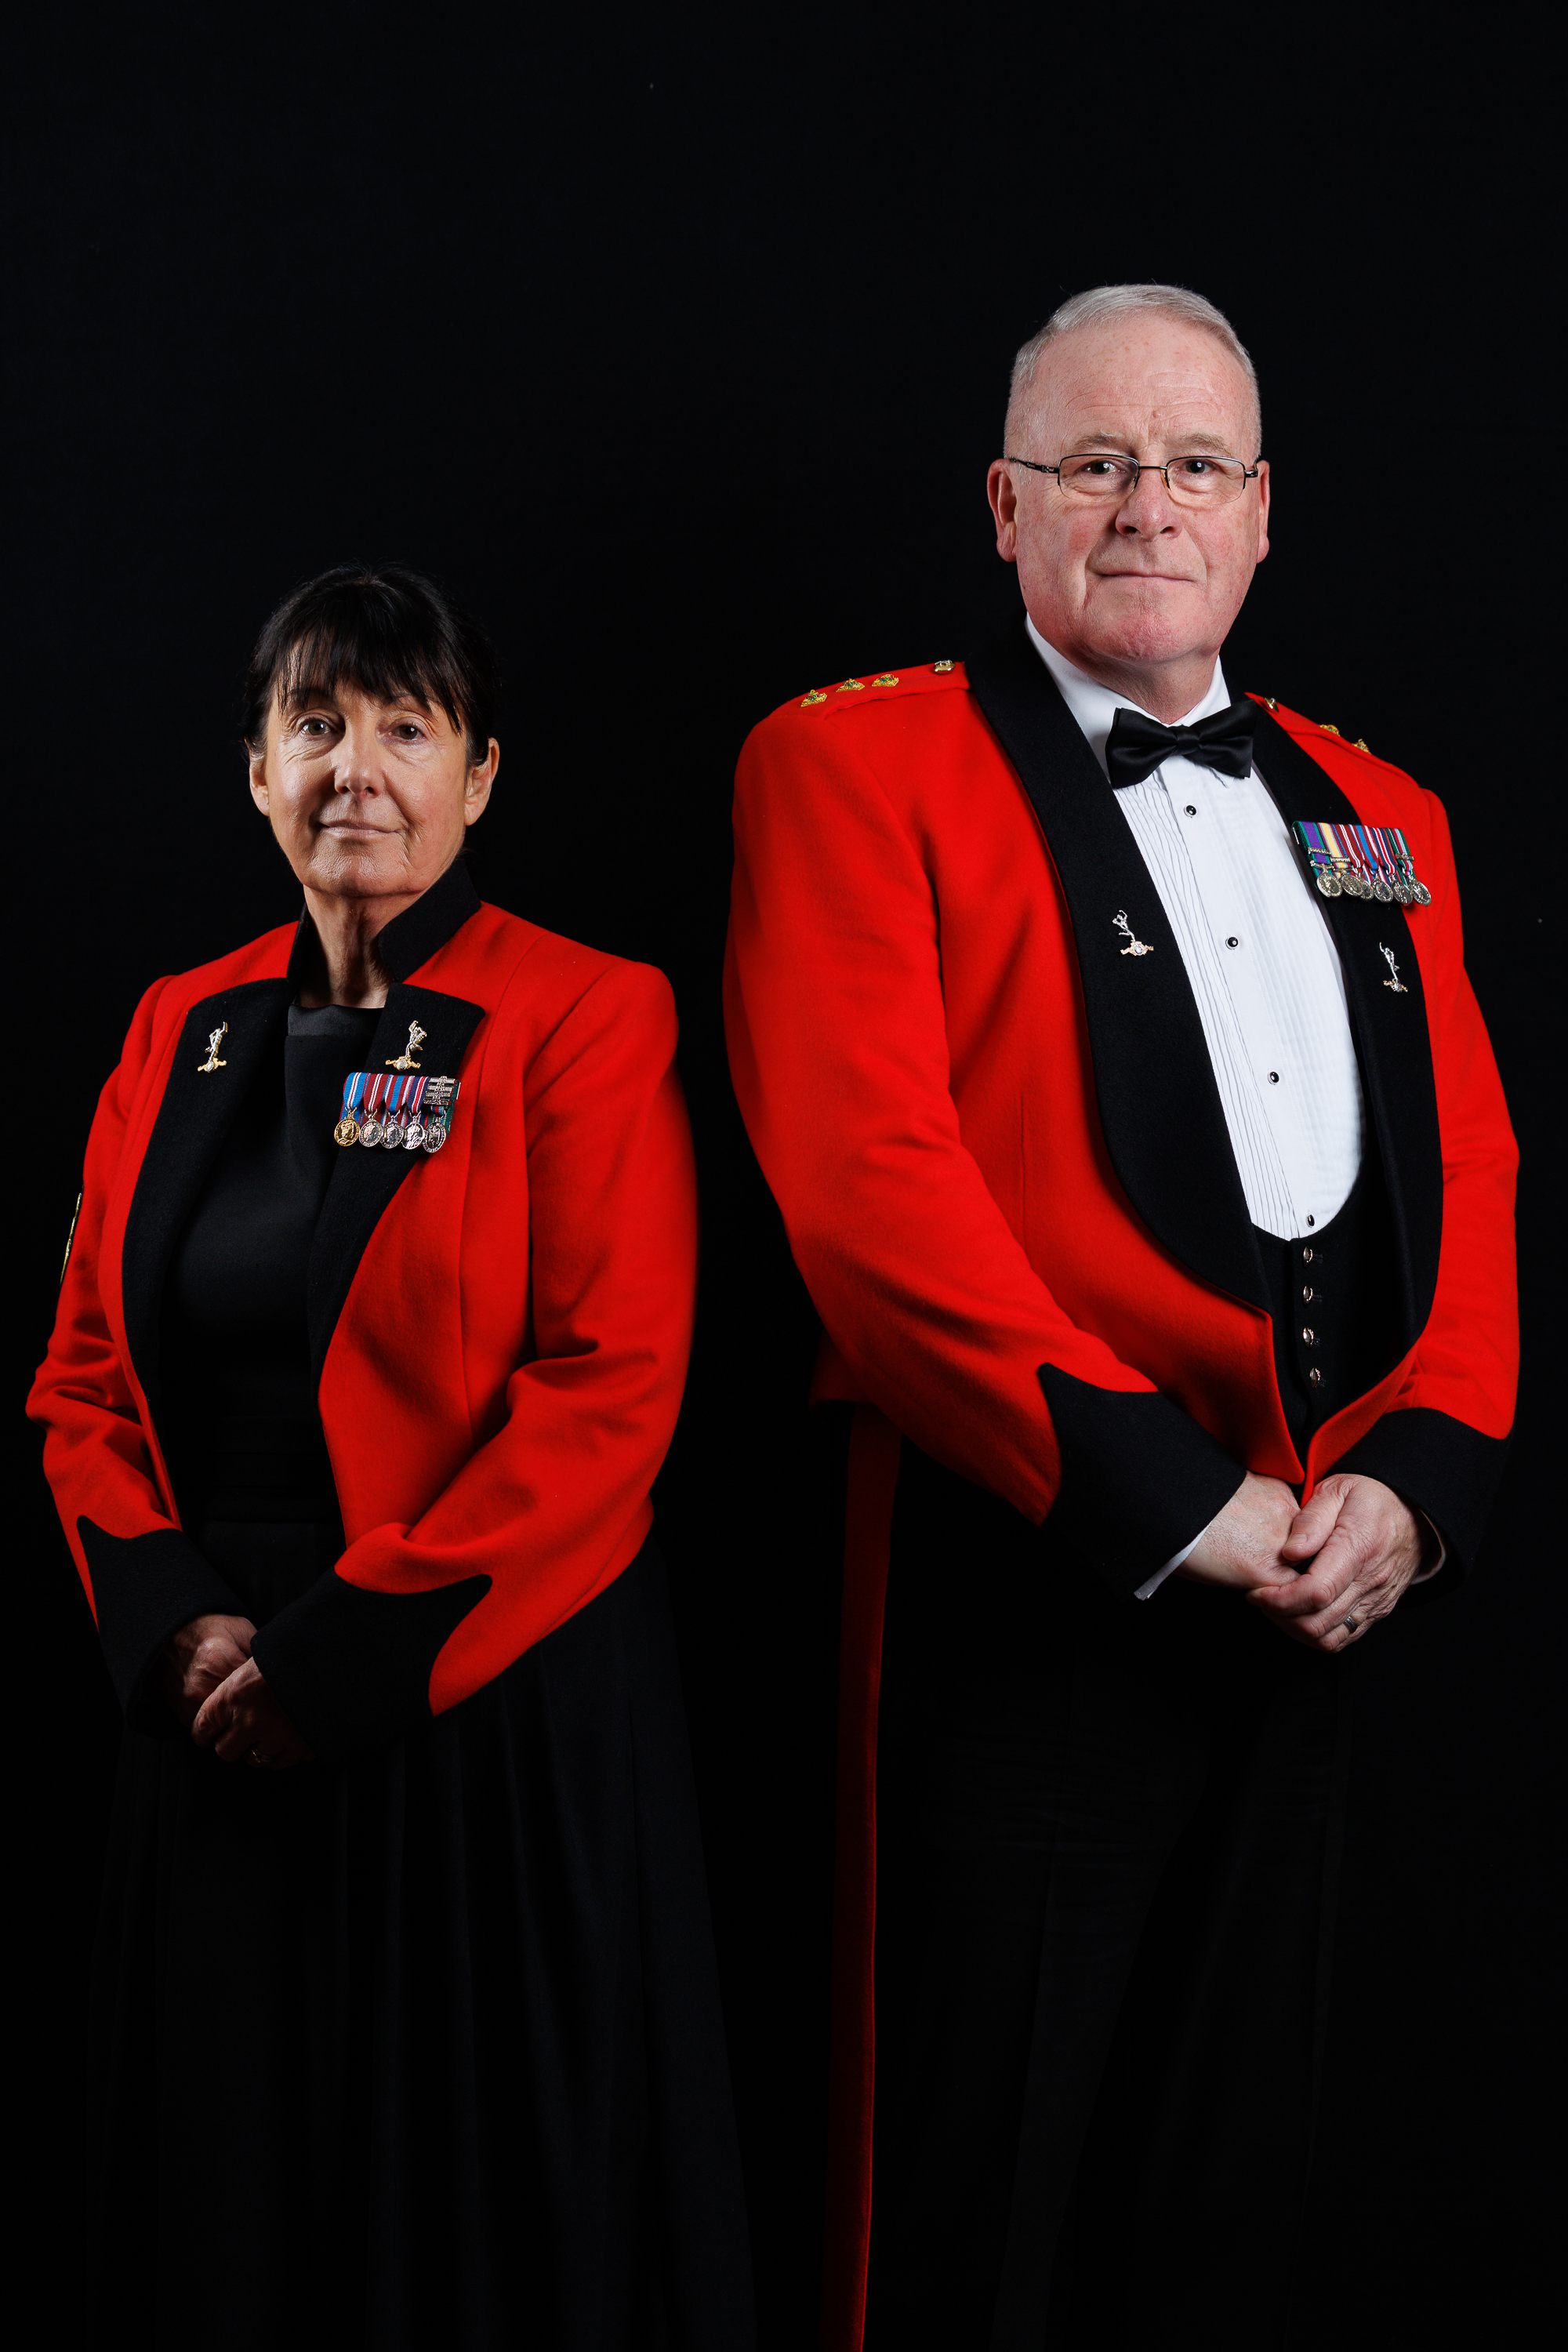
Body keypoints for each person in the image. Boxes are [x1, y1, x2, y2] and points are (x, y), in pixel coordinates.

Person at [724, 285, 1517, 2350]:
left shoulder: (1385, 815)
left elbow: (1477, 1178)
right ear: (1006, 508)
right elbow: (867, 1196)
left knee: (1240, 2192)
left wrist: (1418, 1496)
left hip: (1330, 1581)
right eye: (1094, 462)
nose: (1145, 505)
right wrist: (1177, 1505)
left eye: (1190, 466)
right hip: (1032, 1563)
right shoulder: (849, 764)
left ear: (1261, 518)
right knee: (970, 2201)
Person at [30, 563, 754, 2351]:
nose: (357, 768)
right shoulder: (174, 1028)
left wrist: (340, 1658)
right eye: (315, 724)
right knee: (234, 2212)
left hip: (469, 1694)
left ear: (482, 776)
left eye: (406, 728)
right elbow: (84, 1375)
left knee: (474, 2230)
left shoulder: (584, 1014)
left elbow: (611, 1391)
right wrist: (171, 1624)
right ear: (255, 774)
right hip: (215, 1698)